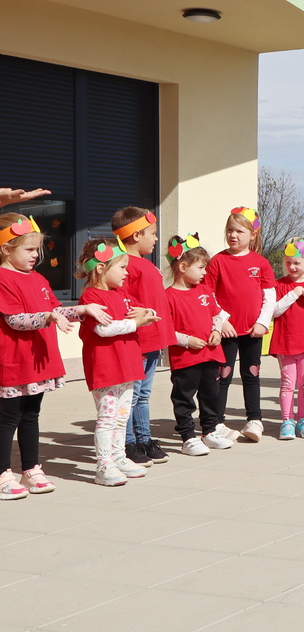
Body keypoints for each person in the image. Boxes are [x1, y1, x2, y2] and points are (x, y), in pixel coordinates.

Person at [0, 214, 110, 498]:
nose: (35, 255)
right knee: (8, 419)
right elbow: (15, 319)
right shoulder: (3, 278)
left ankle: (30, 469)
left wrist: (82, 310)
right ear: (6, 249)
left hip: (38, 362)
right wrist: (48, 316)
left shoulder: (38, 278)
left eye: (37, 249)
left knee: (31, 415)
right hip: (15, 362)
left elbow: (56, 309)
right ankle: (2, 473)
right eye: (29, 249)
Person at [77, 239, 158, 486]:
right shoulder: (91, 297)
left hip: (128, 364)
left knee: (122, 416)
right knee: (107, 417)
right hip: (106, 368)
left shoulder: (121, 294)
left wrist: (148, 313)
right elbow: (103, 329)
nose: (127, 272)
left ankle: (119, 457)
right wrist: (135, 323)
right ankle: (104, 465)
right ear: (101, 268)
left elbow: (140, 310)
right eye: (122, 267)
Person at [204, 206, 275, 443]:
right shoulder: (218, 261)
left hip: (253, 331)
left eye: (239, 231)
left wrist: (262, 323)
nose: (233, 235)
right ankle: (216, 421)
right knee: (223, 376)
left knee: (251, 374)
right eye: (229, 230)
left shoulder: (261, 263)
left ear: (253, 235)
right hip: (226, 332)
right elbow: (209, 294)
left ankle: (255, 420)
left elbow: (269, 297)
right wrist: (222, 320)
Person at [111, 207, 174, 466]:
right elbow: (120, 296)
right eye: (153, 233)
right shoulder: (124, 264)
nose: (156, 238)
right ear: (136, 235)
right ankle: (128, 443)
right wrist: (137, 309)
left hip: (153, 339)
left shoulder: (146, 264)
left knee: (143, 395)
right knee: (133, 395)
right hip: (138, 341)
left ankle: (144, 439)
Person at [163, 234, 232, 456]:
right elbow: (166, 330)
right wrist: (186, 341)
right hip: (185, 359)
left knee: (210, 395)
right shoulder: (168, 296)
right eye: (201, 268)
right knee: (184, 398)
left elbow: (216, 314)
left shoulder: (204, 291)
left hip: (210, 355)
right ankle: (188, 437)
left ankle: (209, 431)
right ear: (183, 267)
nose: (205, 273)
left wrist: (216, 330)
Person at [269, 236, 304, 441]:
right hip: (285, 343)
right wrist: (293, 295)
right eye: (288, 262)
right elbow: (274, 311)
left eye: (297, 263)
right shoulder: (279, 285)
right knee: (287, 383)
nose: (292, 267)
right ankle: (287, 420)